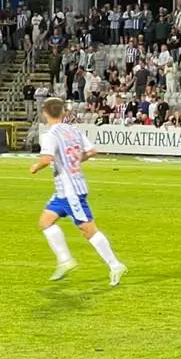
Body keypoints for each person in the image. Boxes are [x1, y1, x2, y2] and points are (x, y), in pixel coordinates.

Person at [30, 97, 125, 286]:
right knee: (45, 221)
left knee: (88, 230)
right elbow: (91, 151)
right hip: (64, 191)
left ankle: (115, 265)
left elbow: (47, 158)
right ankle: (65, 260)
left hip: (70, 191)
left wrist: (35, 167)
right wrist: (74, 161)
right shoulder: (73, 130)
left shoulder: (50, 134)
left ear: (46, 113)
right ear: (63, 112)